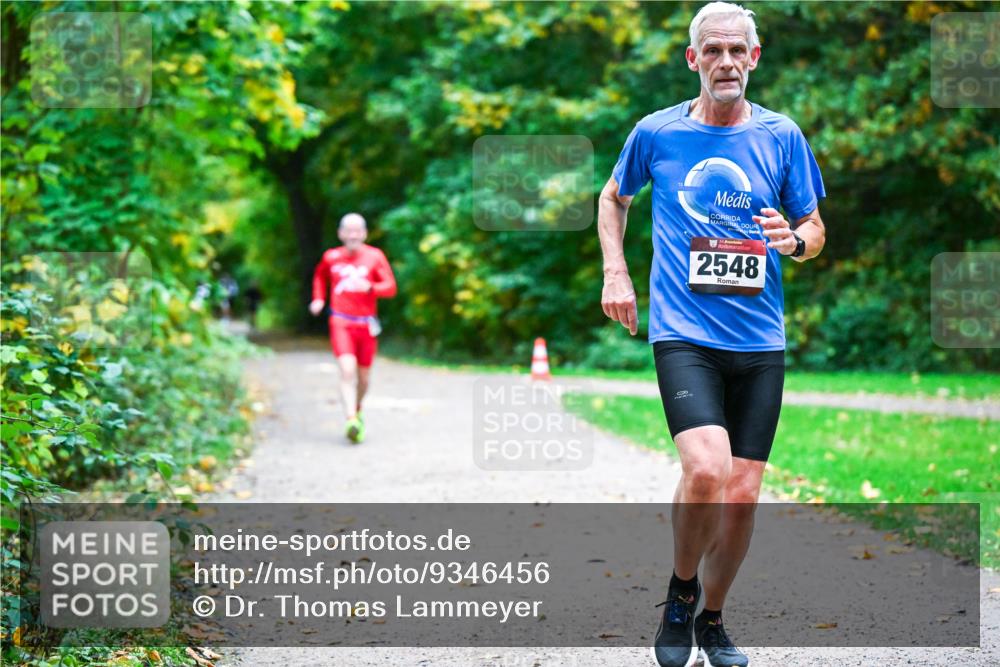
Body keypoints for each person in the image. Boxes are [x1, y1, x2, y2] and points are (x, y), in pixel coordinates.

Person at [597, 3, 826, 666]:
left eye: (737, 50)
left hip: (758, 341)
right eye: (714, 50)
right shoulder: (657, 133)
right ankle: (680, 594)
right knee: (705, 469)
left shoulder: (782, 136)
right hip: (683, 332)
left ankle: (713, 620)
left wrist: (795, 242)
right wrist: (616, 272)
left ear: (755, 58)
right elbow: (613, 197)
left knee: (743, 493)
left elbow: (813, 227)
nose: (727, 62)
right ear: (693, 59)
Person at [310, 213, 397, 444]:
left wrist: (370, 287)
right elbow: (319, 277)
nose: (353, 235)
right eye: (348, 230)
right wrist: (318, 299)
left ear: (364, 234)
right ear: (340, 234)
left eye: (357, 230)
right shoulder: (331, 257)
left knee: (364, 378)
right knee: (347, 370)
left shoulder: (375, 256)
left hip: (366, 324)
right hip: (341, 321)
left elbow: (390, 287)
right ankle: (351, 419)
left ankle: (357, 410)